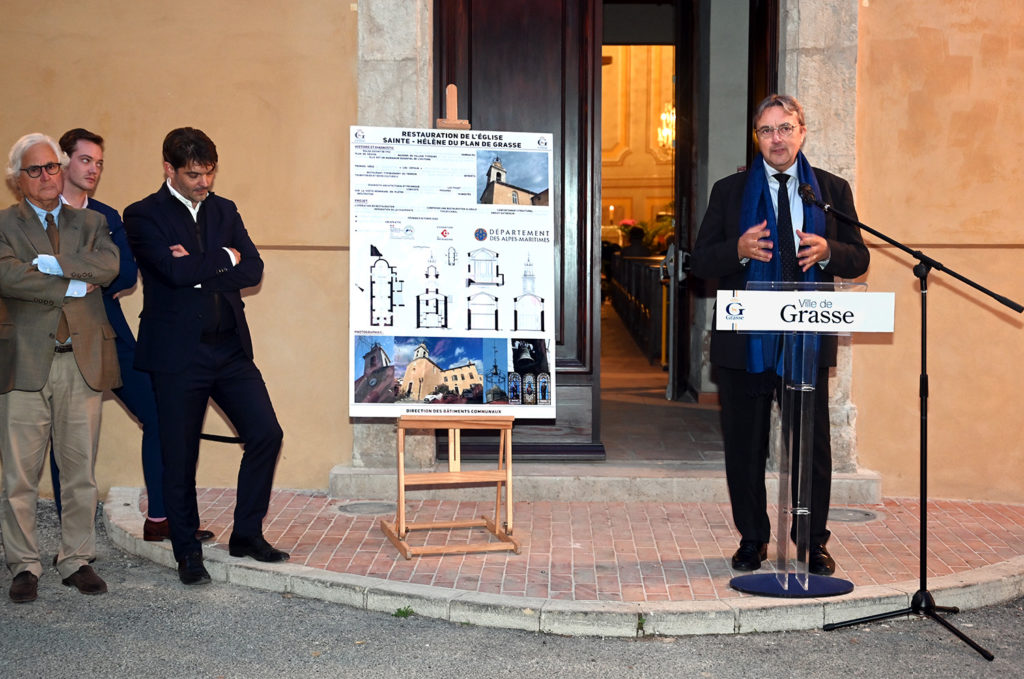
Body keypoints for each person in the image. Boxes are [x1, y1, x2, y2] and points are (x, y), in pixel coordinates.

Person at [690, 94, 869, 575]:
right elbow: (699, 261)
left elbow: (860, 257)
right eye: (767, 130)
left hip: (805, 339)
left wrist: (830, 250)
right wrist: (740, 250)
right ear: (757, 137)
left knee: (811, 447)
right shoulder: (729, 192)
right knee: (744, 445)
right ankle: (752, 539)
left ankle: (813, 540)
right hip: (744, 340)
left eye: (785, 128)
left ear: (802, 132)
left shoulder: (829, 191)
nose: (777, 138)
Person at [123, 127, 287, 586]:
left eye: (210, 172)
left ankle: (247, 534)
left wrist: (203, 266)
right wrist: (223, 258)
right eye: (194, 174)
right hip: (177, 356)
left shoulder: (225, 209)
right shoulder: (142, 214)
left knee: (266, 434)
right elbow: (172, 273)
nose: (205, 183)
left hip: (230, 349)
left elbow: (252, 268)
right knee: (180, 455)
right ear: (168, 169)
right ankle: (187, 553)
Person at [49, 128, 214, 544]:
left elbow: (123, 274)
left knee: (160, 415)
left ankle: (160, 518)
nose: (94, 169)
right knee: (63, 435)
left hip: (111, 335)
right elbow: (36, 274)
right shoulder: (40, 214)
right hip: (57, 339)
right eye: (86, 160)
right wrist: (90, 272)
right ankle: (74, 539)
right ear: (63, 161)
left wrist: (68, 270)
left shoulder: (109, 215)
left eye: (99, 163)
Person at [0, 133, 121, 602]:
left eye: (52, 166)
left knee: (79, 471)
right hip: (25, 364)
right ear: (17, 180)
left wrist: (52, 263)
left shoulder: (92, 221)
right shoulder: (5, 224)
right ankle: (24, 564)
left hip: (82, 362)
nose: (47, 176)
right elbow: (7, 273)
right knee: (19, 476)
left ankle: (76, 559)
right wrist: (71, 284)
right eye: (36, 170)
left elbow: (108, 266)